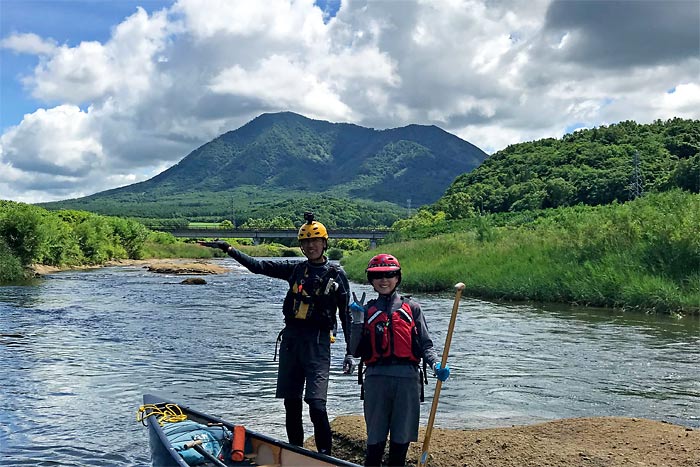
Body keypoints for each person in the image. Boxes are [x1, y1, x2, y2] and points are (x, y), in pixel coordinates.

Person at [199, 212, 353, 455]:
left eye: (315, 240)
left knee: (316, 404)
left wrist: (350, 353)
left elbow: (346, 315)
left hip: (317, 343)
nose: (311, 245)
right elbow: (258, 266)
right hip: (291, 342)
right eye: (305, 242)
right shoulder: (295, 270)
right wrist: (228, 248)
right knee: (291, 403)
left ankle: (325, 455)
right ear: (301, 246)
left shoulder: (336, 275)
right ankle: (296, 451)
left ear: (325, 243)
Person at [348, 253, 450, 467]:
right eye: (378, 276)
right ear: (371, 280)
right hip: (376, 379)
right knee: (374, 443)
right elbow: (355, 351)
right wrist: (357, 322)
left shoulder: (412, 308)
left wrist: (435, 364)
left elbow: (425, 344)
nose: (384, 280)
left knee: (400, 442)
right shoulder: (366, 311)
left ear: (397, 278)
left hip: (407, 380)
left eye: (389, 274)